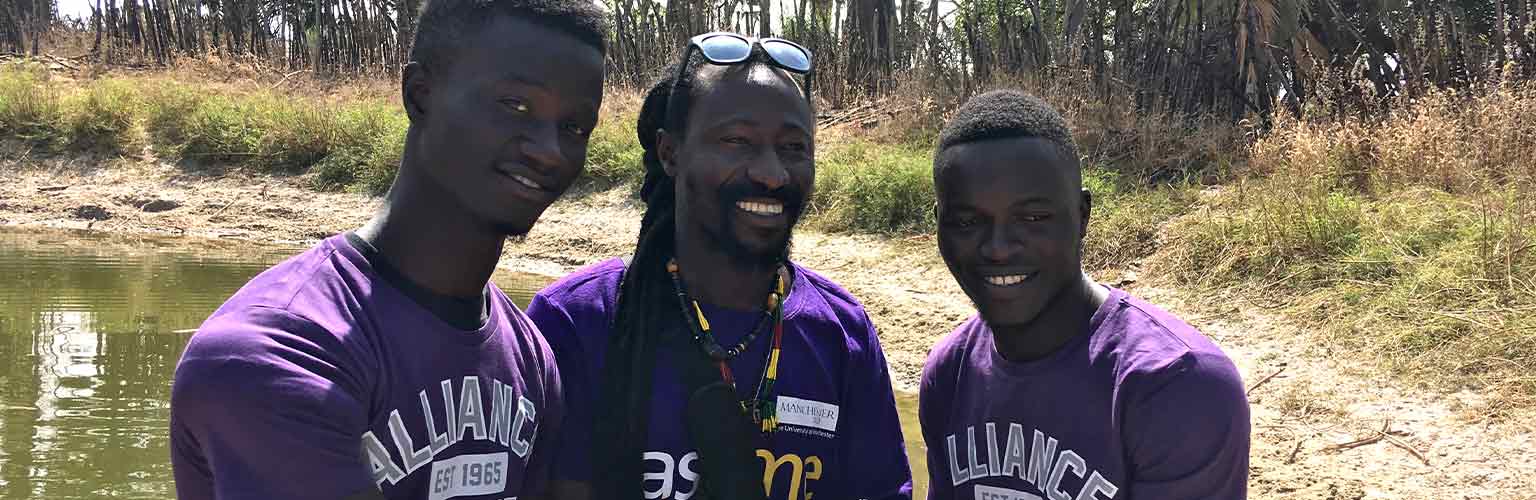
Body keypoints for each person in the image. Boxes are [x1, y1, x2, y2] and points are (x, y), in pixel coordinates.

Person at [167, 0, 608, 498]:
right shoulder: (276, 355)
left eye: (574, 128)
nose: (550, 150)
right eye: (516, 105)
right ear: (421, 95)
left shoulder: (530, 357)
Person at [526, 33, 913, 500]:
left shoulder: (841, 335)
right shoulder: (576, 323)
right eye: (737, 141)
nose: (772, 173)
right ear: (670, 153)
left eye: (794, 147)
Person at [919, 90, 1251, 500]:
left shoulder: (1176, 386)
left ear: (1082, 217)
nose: (998, 247)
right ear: (940, 226)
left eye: (1033, 218)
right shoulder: (949, 373)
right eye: (967, 222)